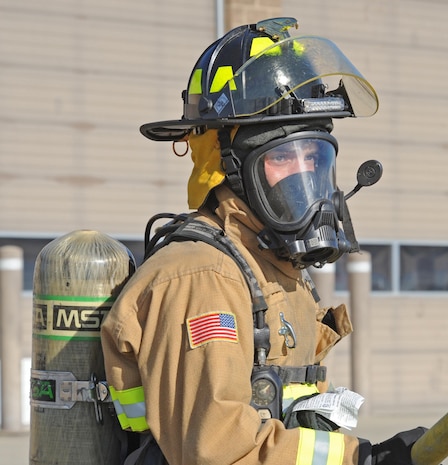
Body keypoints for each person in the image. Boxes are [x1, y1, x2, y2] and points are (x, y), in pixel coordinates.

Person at [101, 17, 428, 465]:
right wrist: (359, 460)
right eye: (283, 159)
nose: (305, 177)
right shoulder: (202, 277)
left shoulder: (273, 267)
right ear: (227, 166)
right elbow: (218, 449)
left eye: (314, 158)